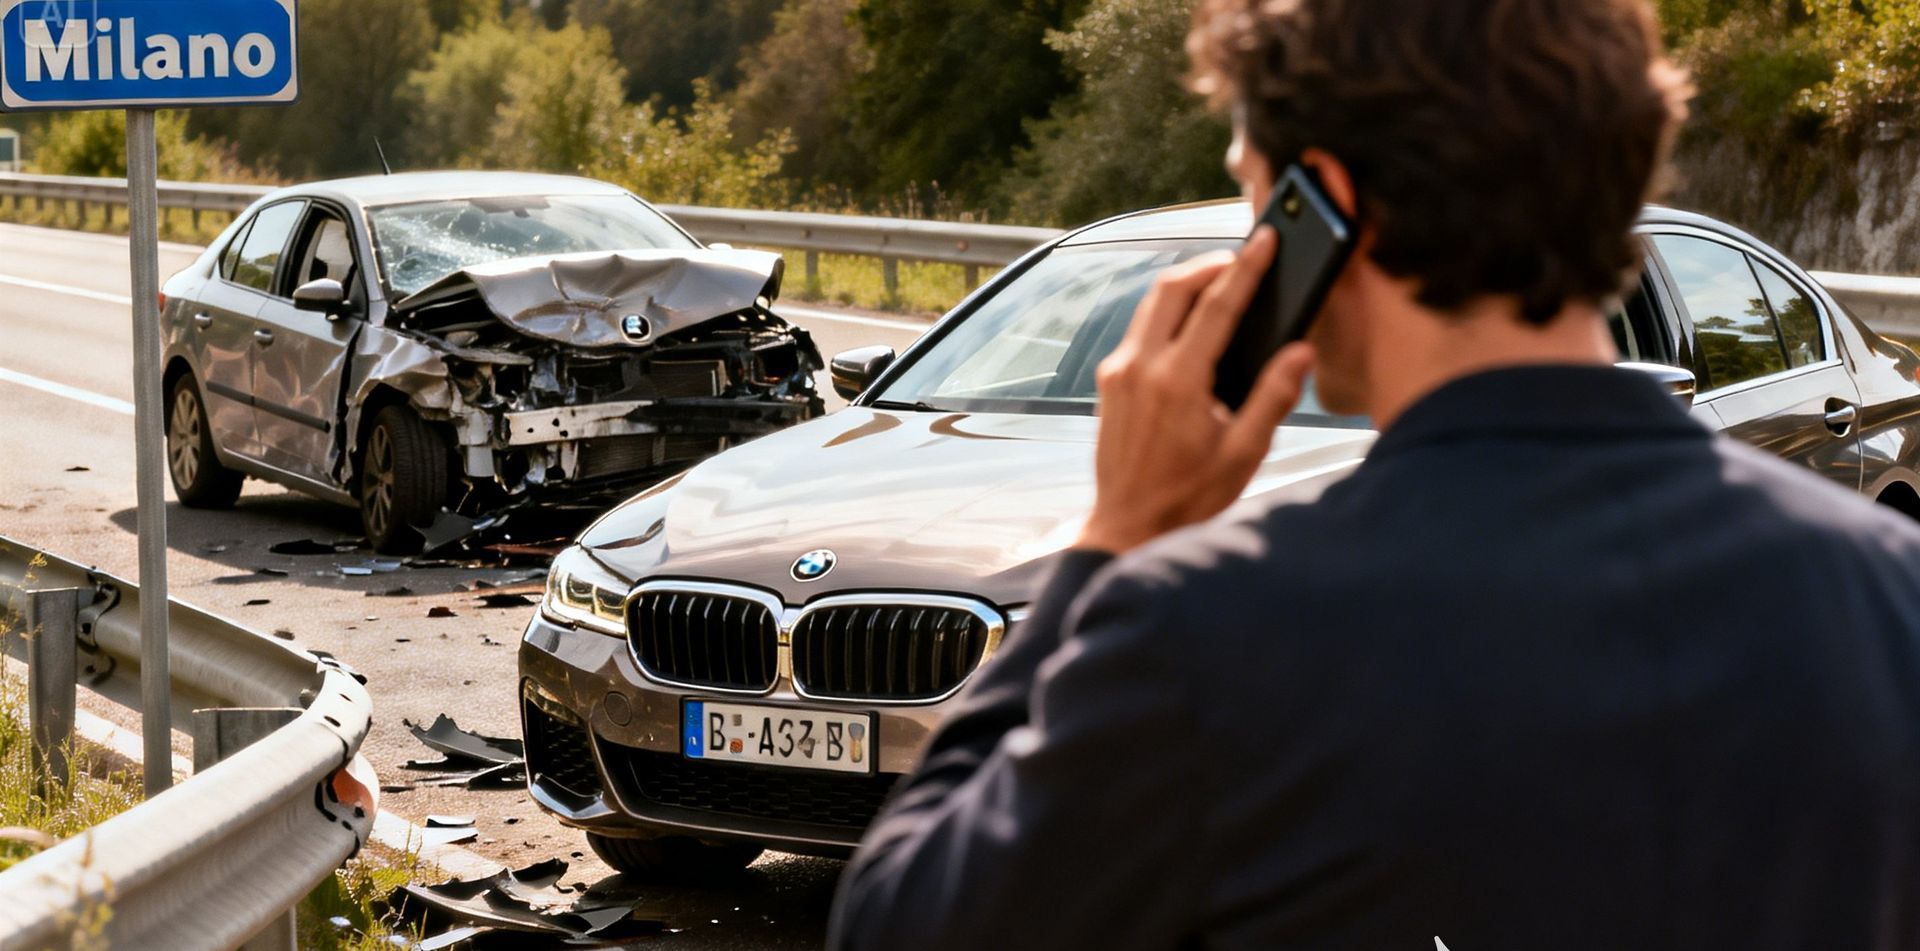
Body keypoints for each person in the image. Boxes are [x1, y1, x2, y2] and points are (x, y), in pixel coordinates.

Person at [828, 0, 1920, 947]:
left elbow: (908, 922)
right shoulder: (1890, 594)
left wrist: (1114, 537)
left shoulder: (1209, 635)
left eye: (1259, 198)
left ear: (1326, 209)